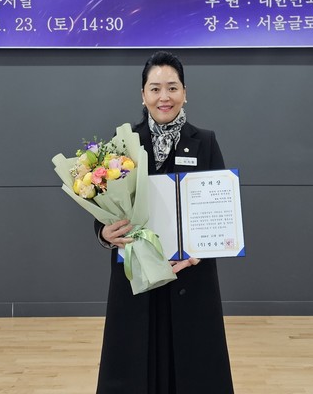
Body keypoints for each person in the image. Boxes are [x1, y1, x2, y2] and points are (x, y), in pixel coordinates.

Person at [93, 51, 234, 393]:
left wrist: (201, 250)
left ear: (185, 92)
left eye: (172, 88)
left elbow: (221, 208)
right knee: (135, 365)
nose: (164, 97)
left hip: (190, 275)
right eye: (155, 89)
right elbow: (103, 208)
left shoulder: (205, 142)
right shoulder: (123, 143)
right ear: (143, 95)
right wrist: (105, 233)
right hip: (137, 277)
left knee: (192, 367)